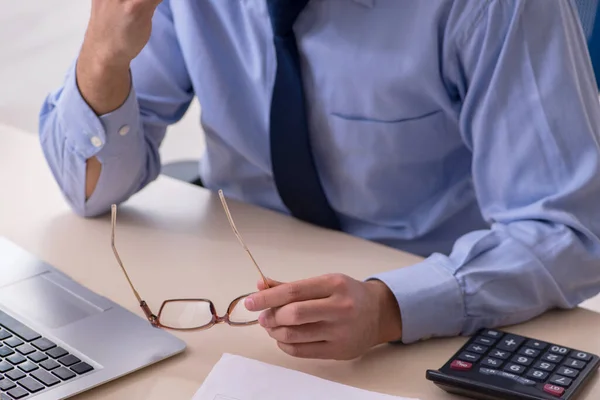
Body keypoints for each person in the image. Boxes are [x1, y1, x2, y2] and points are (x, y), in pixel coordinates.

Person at [39, 0, 600, 361]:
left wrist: (392, 308)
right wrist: (102, 55)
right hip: (234, 301)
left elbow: (569, 230)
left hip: (431, 308)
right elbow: (90, 193)